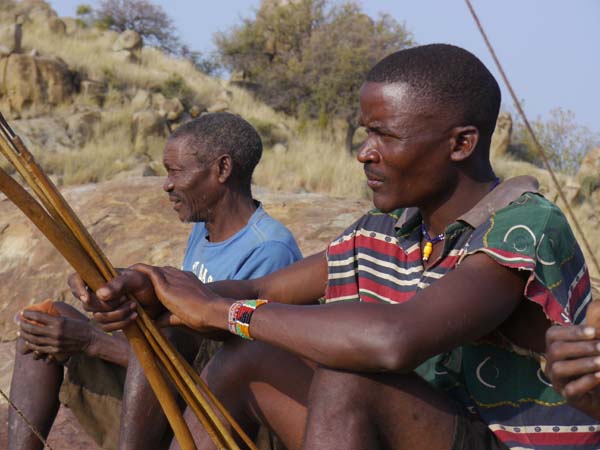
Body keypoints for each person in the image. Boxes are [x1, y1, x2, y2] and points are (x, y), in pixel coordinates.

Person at [81, 44, 597, 450]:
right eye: (364, 132)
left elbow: (393, 340)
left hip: (504, 442)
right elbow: (267, 288)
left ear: (460, 144)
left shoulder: (523, 225)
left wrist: (221, 311)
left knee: (348, 379)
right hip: (423, 428)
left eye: (384, 135)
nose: (363, 153)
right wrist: (161, 291)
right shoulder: (389, 226)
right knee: (246, 357)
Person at [8, 112, 302, 450]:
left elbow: (218, 368)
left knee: (166, 332)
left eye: (176, 172)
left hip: (219, 414)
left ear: (222, 169)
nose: (166, 185)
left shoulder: (269, 249)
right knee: (44, 320)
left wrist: (91, 340)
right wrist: (107, 282)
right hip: (172, 385)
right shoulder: (204, 229)